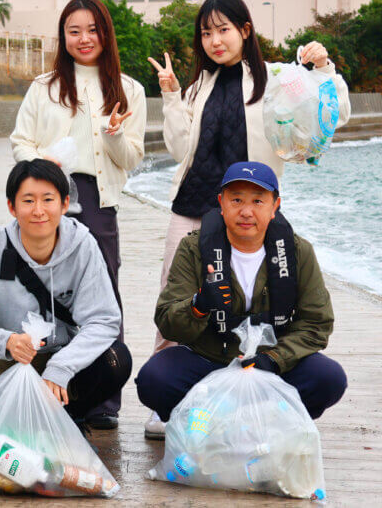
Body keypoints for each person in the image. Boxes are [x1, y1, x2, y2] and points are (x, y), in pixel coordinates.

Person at [142, 0, 350, 438]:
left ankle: (260, 384)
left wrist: (322, 68)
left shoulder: (276, 78)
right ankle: (166, 407)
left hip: (250, 210)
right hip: (194, 204)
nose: (215, 41)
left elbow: (331, 114)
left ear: (245, 31)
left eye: (223, 29)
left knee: (262, 294)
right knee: (177, 296)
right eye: (206, 33)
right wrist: (173, 96)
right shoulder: (199, 85)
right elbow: (179, 149)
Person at [9, 0, 146, 429]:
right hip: (48, 196)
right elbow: (20, 142)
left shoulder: (130, 90)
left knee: (103, 295)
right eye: (74, 31)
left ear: (105, 33)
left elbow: (131, 158)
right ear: (63, 36)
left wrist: (114, 134)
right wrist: (44, 168)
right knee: (41, 291)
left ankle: (102, 398)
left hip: (98, 200)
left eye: (93, 30)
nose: (84, 39)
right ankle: (44, 384)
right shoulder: (43, 87)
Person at [135, 161, 347, 427]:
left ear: (275, 206)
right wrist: (198, 306)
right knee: (154, 379)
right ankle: (201, 424)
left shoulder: (297, 252)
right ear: (221, 204)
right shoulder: (193, 249)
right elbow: (167, 320)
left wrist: (273, 360)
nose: (246, 212)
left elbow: (317, 323)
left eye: (258, 201)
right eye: (236, 200)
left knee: (329, 378)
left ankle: (277, 421)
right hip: (210, 360)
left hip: (272, 363)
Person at [0, 159, 133, 424]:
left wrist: (61, 366)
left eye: (48, 199)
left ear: (65, 204)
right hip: (5, 358)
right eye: (28, 201)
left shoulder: (83, 245)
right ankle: (2, 420)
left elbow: (104, 320)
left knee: (116, 359)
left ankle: (65, 422)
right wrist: (6, 342)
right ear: (12, 206)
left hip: (60, 365)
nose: (39, 210)